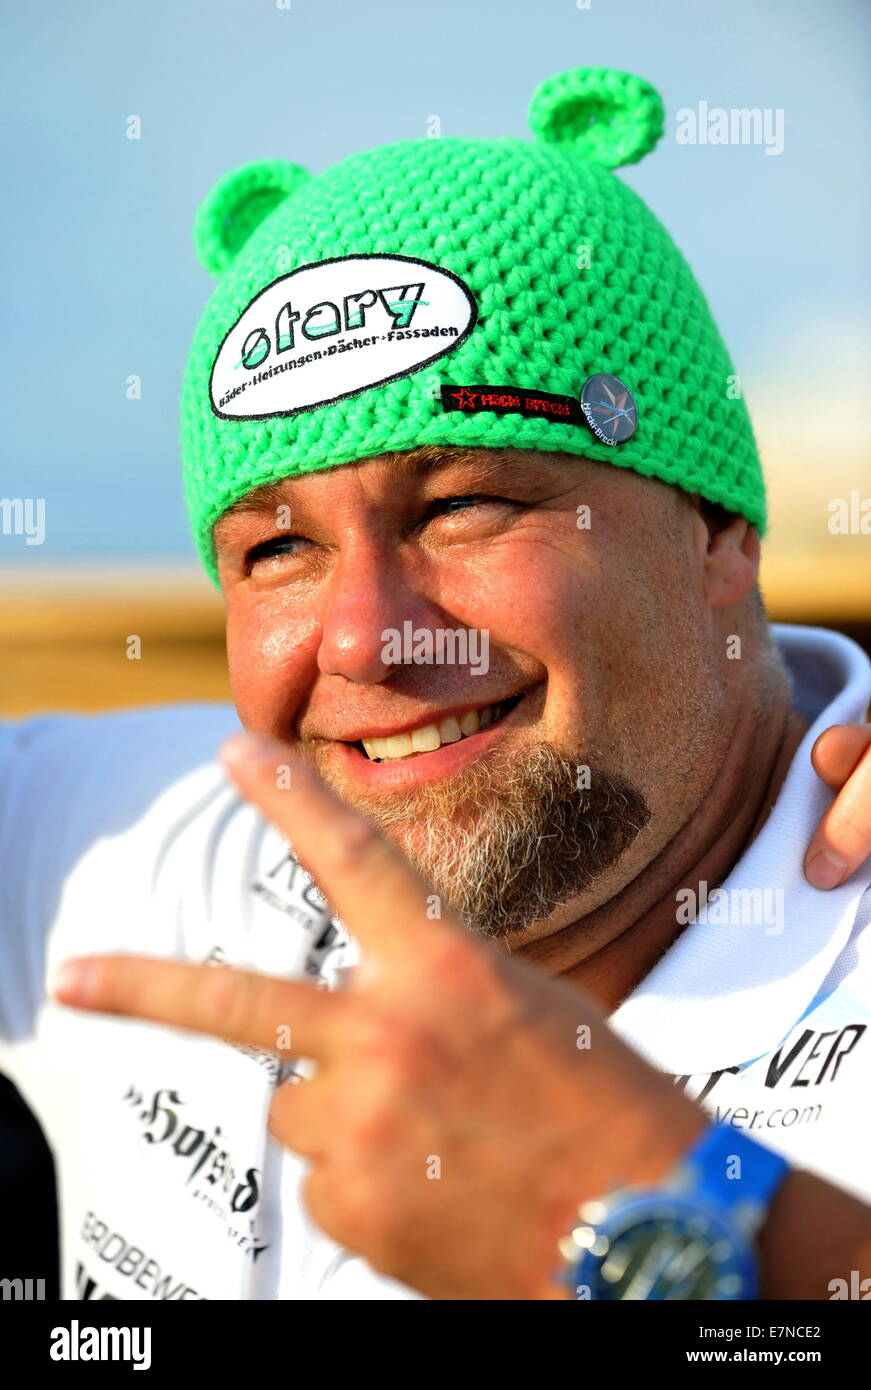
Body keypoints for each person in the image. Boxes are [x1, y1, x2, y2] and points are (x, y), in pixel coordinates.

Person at [4, 66, 871, 1301]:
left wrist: (670, 1229)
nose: (361, 639)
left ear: (718, 529)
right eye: (278, 549)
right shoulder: (146, 844)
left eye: (466, 505)